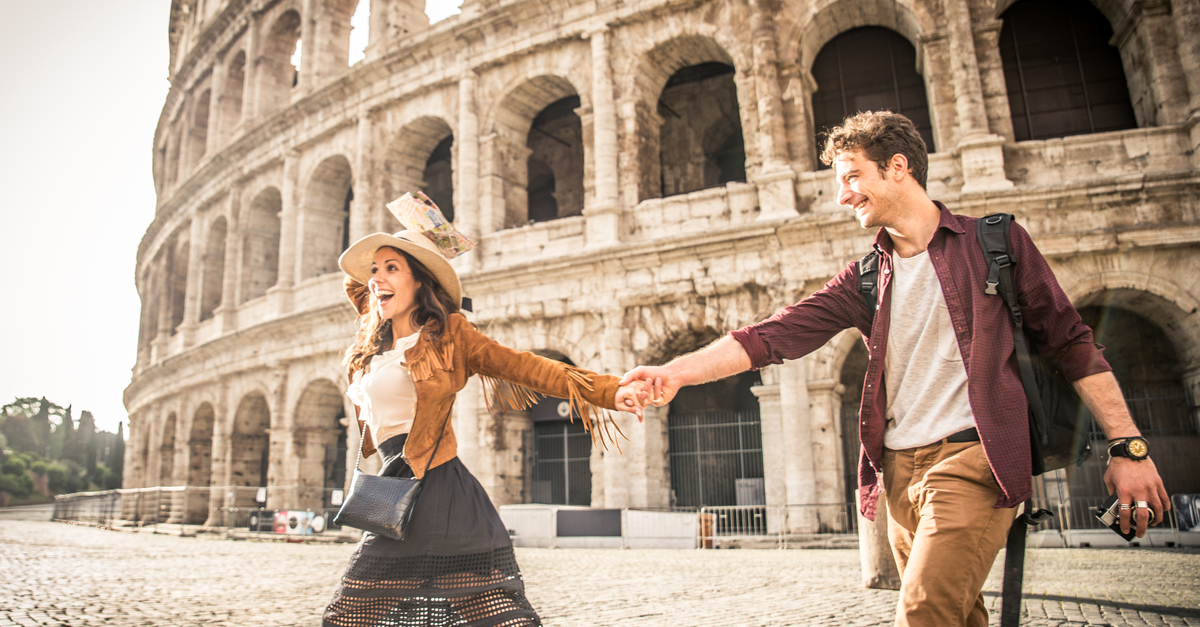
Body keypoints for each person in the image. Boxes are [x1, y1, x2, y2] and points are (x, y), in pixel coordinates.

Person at [621, 111, 1170, 626]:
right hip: (897, 476)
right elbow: (771, 336)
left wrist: (1128, 446)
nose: (842, 196)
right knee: (960, 615)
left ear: (898, 168)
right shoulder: (864, 278)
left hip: (974, 459)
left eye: (852, 176)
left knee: (924, 609)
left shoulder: (994, 243)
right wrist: (675, 373)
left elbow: (1072, 344)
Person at [323, 192, 646, 627]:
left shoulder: (450, 335)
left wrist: (607, 391)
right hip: (397, 483)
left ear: (420, 281)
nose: (377, 277)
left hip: (437, 489)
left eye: (392, 268)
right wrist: (409, 244)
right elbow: (356, 285)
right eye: (375, 270)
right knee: (481, 615)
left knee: (355, 614)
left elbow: (524, 367)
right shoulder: (373, 343)